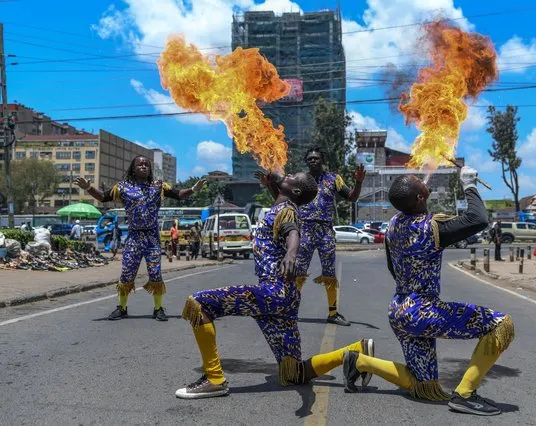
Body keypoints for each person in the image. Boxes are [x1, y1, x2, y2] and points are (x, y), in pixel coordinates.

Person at [175, 171, 375, 399]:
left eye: (291, 175)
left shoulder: (287, 210)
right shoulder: (282, 206)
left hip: (272, 293)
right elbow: (283, 211)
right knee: (293, 372)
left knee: (199, 303)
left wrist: (292, 254)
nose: (286, 173)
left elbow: (292, 232)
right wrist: (271, 184)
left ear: (296, 191)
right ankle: (355, 353)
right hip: (285, 299)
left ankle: (214, 379)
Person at [341, 167, 515, 416]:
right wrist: (469, 184)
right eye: (419, 182)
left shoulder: (393, 225)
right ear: (420, 198)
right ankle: (465, 394)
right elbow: (478, 219)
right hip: (423, 312)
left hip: (399, 311)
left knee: (425, 386)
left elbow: (393, 266)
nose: (424, 180)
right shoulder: (431, 227)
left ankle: (360, 361)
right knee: (501, 324)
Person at [74, 156, 205, 322]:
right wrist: (88, 187)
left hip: (152, 238)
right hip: (134, 237)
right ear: (133, 168)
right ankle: (121, 308)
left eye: (146, 165)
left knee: (155, 273)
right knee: (127, 273)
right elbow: (103, 197)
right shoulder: (122, 187)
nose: (144, 166)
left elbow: (179, 194)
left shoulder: (158, 186)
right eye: (140, 164)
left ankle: (158, 309)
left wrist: (193, 189)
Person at [291, 147, 366, 327]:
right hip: (305, 229)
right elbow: (287, 199)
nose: (313, 161)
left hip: (325, 231)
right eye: (310, 159)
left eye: (316, 158)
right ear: (306, 161)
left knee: (329, 273)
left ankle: (333, 313)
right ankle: (290, 311)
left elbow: (352, 197)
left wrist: (358, 182)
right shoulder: (301, 180)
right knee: (299, 272)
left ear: (322, 160)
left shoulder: (333, 179)